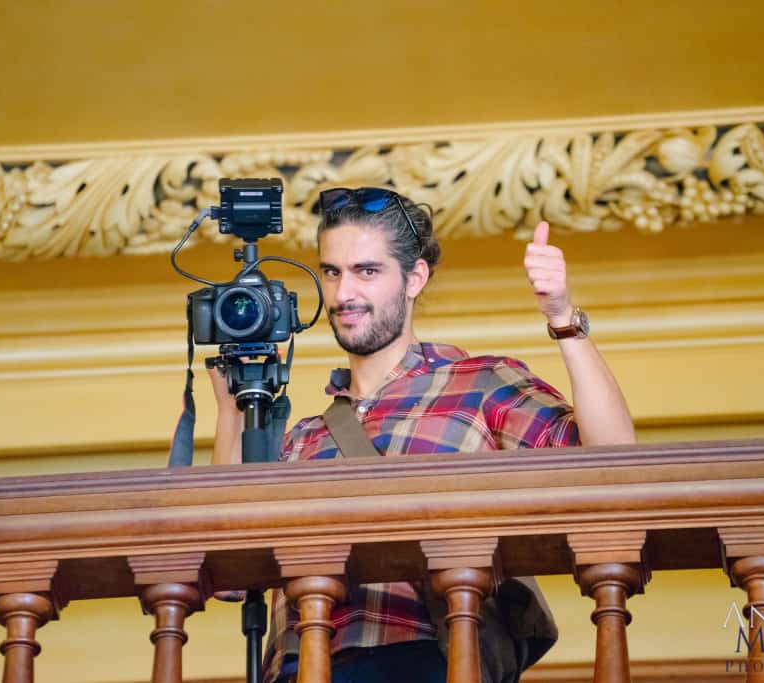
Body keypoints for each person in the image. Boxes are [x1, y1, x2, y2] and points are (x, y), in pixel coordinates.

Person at [209, 187, 635, 683]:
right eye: (332, 272)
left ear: (415, 278)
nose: (344, 293)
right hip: (301, 665)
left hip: (422, 658)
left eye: (367, 271)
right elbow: (231, 576)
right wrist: (230, 407)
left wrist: (564, 318)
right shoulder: (300, 438)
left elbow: (613, 465)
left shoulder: (481, 383)